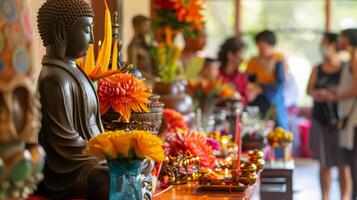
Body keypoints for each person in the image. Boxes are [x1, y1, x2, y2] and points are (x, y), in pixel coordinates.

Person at [36, 0, 108, 199]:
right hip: (71, 168)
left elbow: (96, 128)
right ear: (60, 32)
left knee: (142, 160)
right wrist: (106, 156)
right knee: (106, 179)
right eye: (86, 30)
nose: (92, 39)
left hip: (95, 156)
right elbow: (64, 142)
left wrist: (117, 147)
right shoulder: (54, 79)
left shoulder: (78, 73)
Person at [307, 33, 351, 200]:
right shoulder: (317, 68)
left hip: (341, 121)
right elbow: (309, 90)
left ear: (335, 45)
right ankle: (325, 197)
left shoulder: (347, 67)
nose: (323, 47)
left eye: (326, 43)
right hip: (321, 118)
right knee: (324, 163)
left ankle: (345, 197)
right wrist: (319, 93)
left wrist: (334, 94)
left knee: (343, 164)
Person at [332, 28, 357, 199]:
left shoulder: (354, 58)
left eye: (342, 39)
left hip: (353, 118)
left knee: (353, 162)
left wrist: (335, 96)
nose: (338, 42)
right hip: (349, 115)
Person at [246, 30, 288, 129]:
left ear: (271, 45)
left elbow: (279, 83)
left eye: (263, 47)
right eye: (259, 47)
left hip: (273, 100)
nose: (260, 50)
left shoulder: (278, 59)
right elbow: (249, 80)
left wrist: (260, 88)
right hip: (256, 101)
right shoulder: (253, 61)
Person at [218, 37, 248, 105]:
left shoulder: (242, 77)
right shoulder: (216, 74)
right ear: (230, 55)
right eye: (241, 53)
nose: (242, 58)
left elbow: (245, 100)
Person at [127, 15, 155, 81]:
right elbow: (133, 71)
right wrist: (152, 77)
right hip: (142, 82)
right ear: (136, 27)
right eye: (146, 26)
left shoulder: (146, 45)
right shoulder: (133, 47)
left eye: (149, 26)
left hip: (152, 80)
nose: (149, 29)